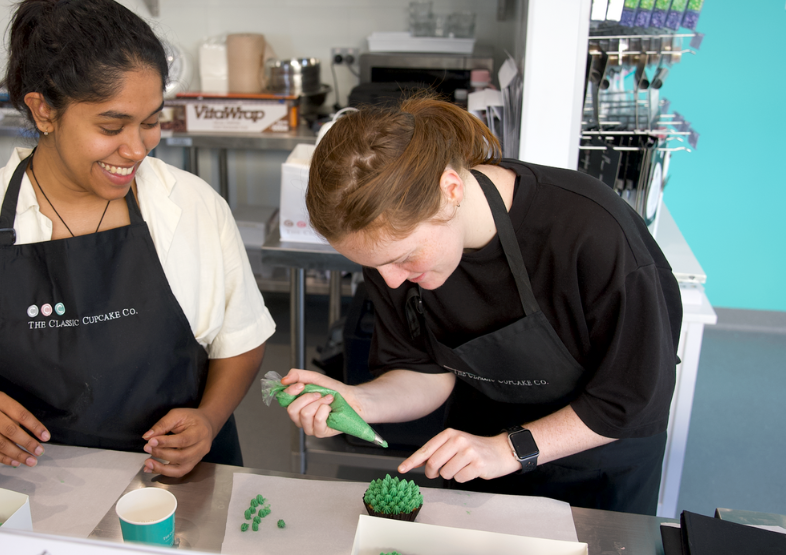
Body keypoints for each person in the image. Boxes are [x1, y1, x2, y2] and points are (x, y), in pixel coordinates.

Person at [0, 0, 275, 477]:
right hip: (33, 482)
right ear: (43, 111)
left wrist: (209, 417)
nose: (137, 149)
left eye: (152, 122)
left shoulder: (192, 206)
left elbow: (241, 335)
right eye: (112, 125)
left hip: (182, 480)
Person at [281, 96, 680, 514]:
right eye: (374, 266)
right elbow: (425, 373)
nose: (392, 281)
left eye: (403, 258)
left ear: (450, 190)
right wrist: (360, 402)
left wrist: (510, 450)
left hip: (599, 460)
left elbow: (634, 396)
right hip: (480, 450)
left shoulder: (590, 233)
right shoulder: (389, 253)